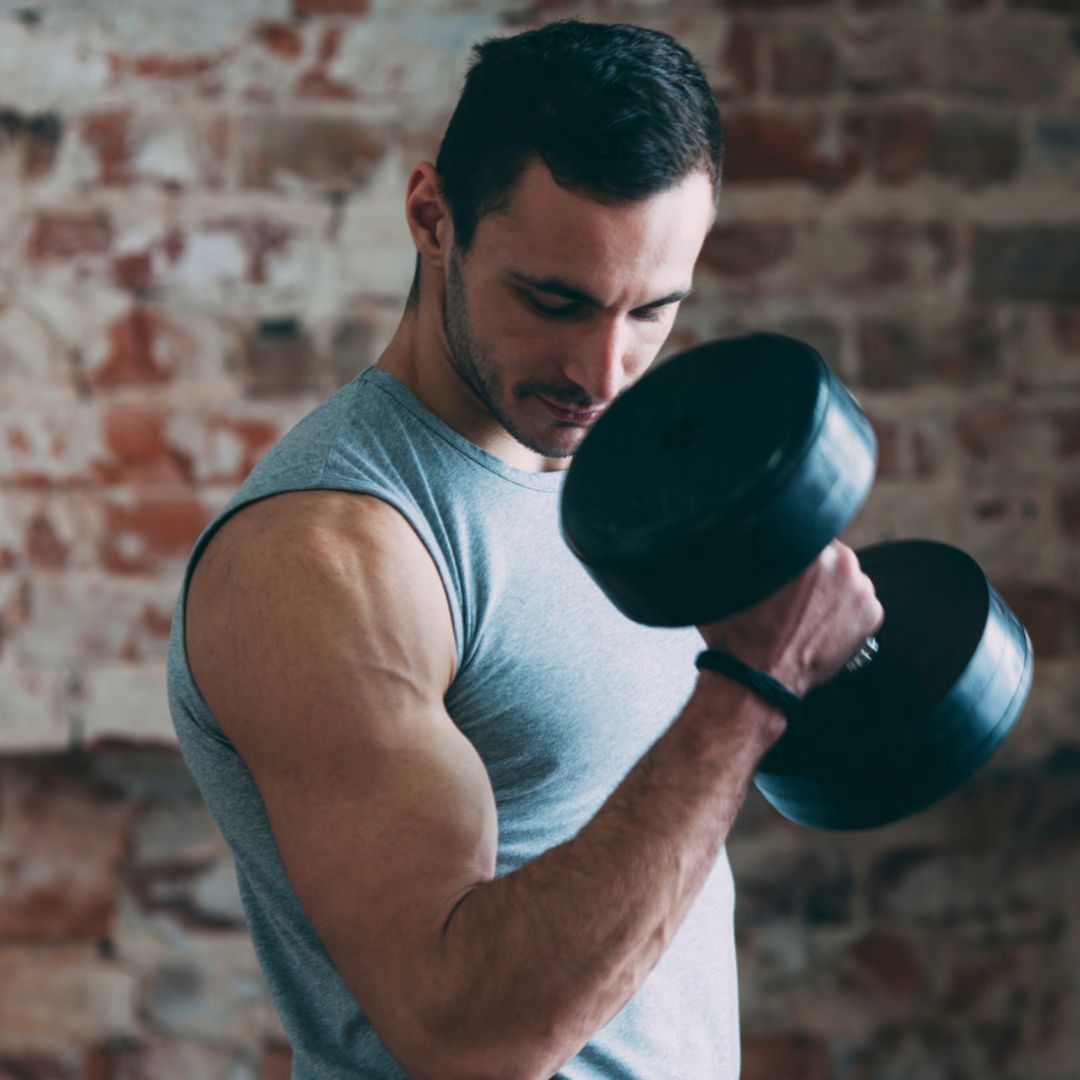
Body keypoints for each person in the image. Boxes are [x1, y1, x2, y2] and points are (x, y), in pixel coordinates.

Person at [167, 19, 882, 1079]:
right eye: (556, 302)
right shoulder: (326, 556)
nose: (603, 371)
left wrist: (819, 657)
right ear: (432, 218)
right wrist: (750, 686)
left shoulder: (620, 486)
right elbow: (465, 1034)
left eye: (653, 311)